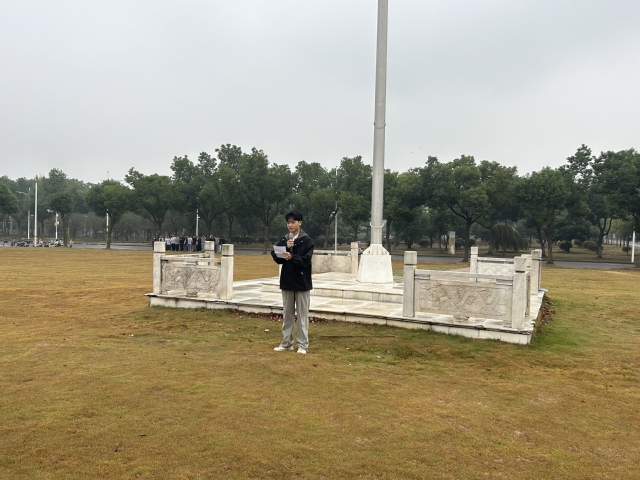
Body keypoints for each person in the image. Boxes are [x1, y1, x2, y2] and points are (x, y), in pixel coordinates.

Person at [271, 210, 314, 354]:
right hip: (287, 281)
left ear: (299, 223)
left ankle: (302, 345)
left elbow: (305, 261)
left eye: (293, 222)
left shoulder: (307, 240)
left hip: (302, 282)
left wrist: (292, 257)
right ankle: (286, 343)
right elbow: (276, 256)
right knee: (287, 315)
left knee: (302, 316)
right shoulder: (285, 239)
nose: (290, 225)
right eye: (288, 222)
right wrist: (286, 248)